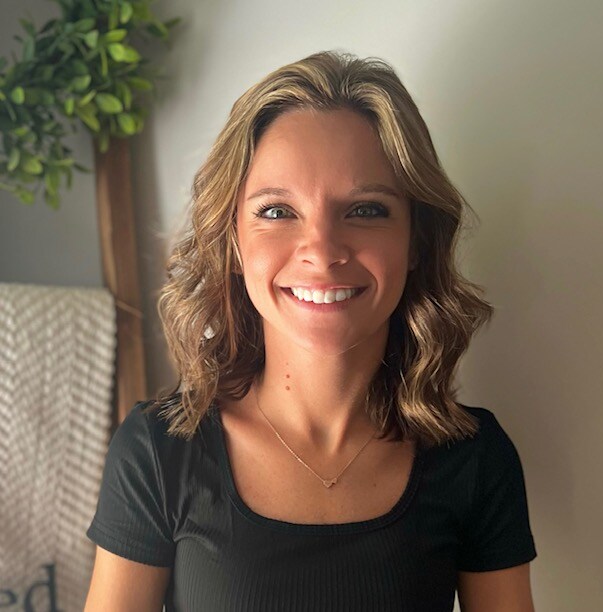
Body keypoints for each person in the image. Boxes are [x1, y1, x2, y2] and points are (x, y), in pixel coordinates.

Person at [84, 50, 537, 611]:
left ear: (416, 240)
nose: (322, 252)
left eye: (367, 210)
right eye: (277, 211)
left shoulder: (473, 460)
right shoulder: (160, 451)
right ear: (232, 242)